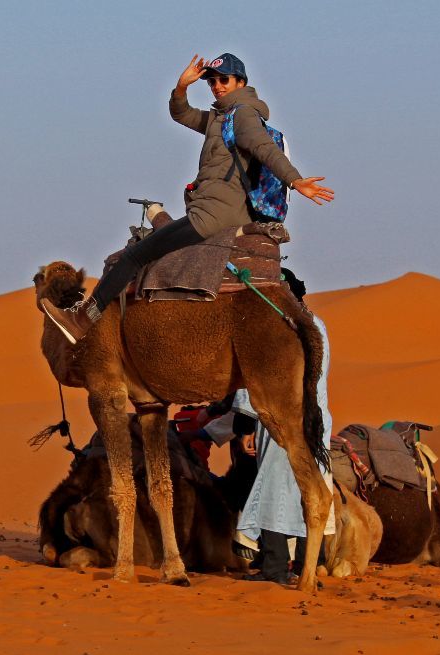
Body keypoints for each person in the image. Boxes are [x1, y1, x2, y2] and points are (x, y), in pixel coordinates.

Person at [42, 53, 335, 344]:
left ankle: (81, 322)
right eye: (212, 82)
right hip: (221, 210)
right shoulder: (221, 118)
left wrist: (294, 180)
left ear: (240, 82)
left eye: (224, 80)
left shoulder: (242, 114)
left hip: (213, 214)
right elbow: (182, 114)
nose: (217, 86)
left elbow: (262, 147)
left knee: (135, 255)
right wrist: (181, 88)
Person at [203, 269, 336, 585]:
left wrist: (245, 422)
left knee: (275, 488)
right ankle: (309, 562)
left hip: (281, 417)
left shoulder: (277, 325)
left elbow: (258, 377)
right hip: (315, 418)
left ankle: (275, 567)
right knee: (310, 485)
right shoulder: (316, 325)